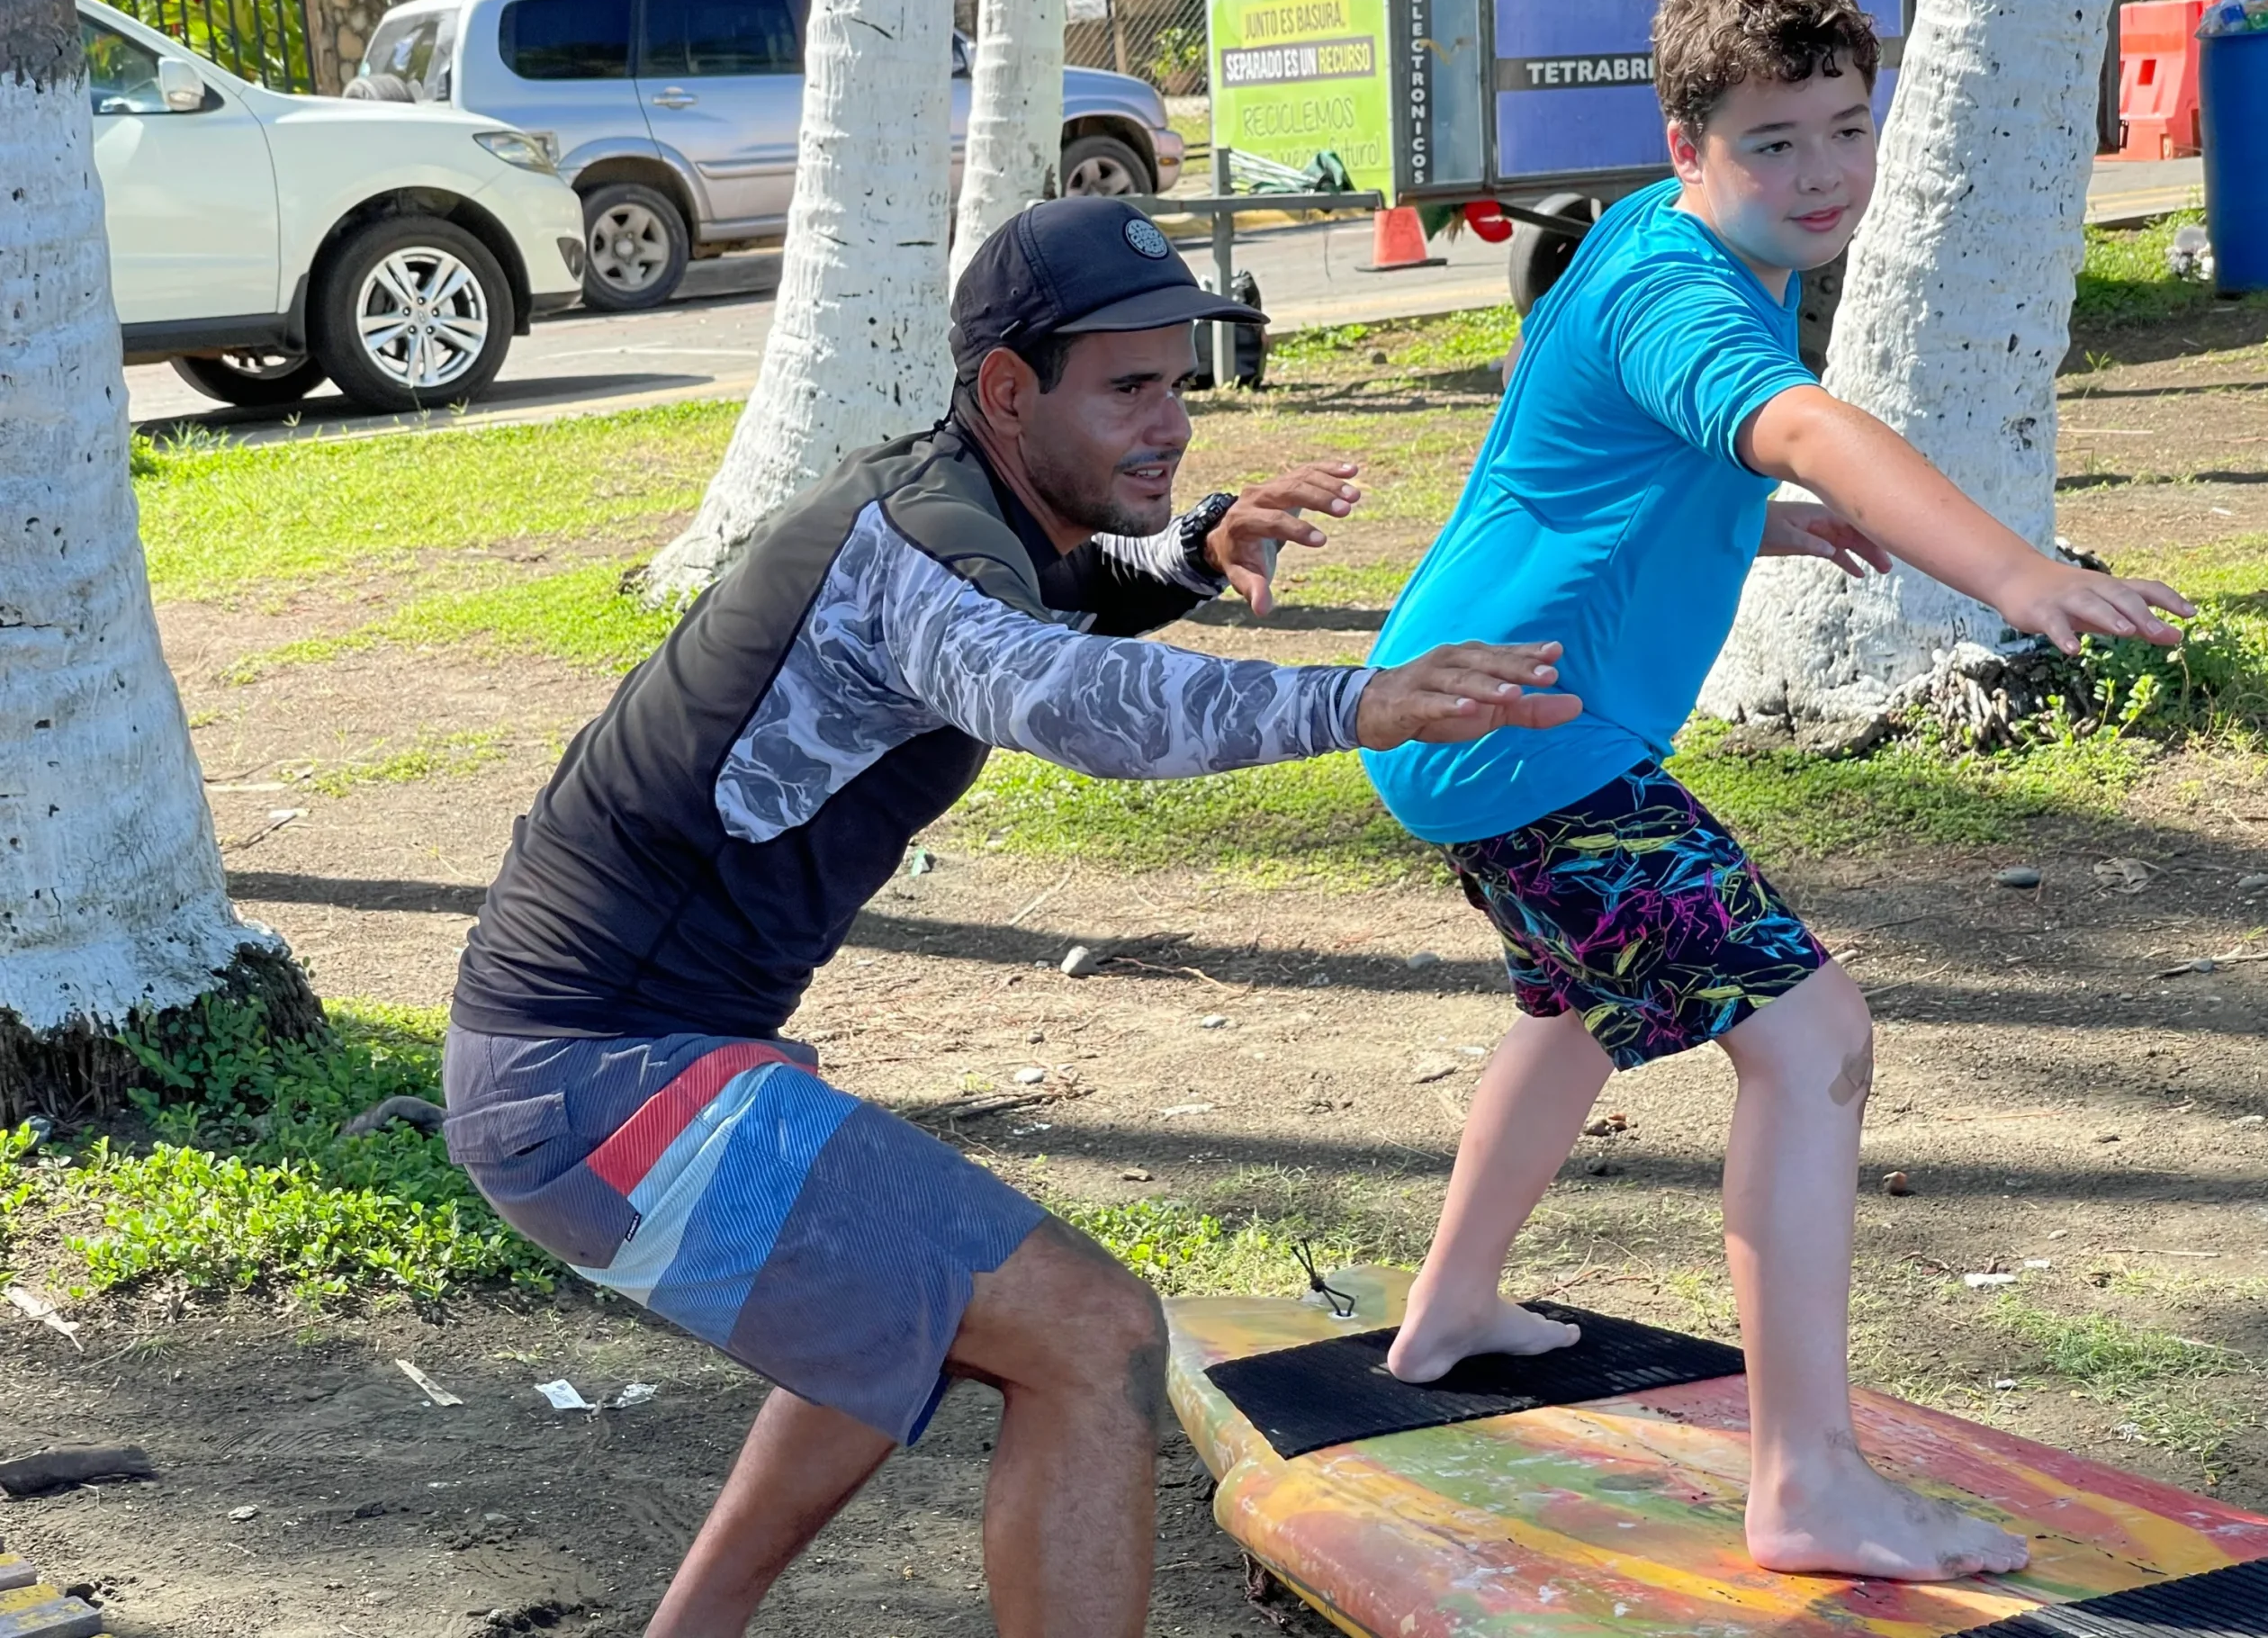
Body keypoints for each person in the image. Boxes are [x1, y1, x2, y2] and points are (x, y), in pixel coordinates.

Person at [436, 195, 1580, 1638]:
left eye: (1180, 384)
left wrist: (1190, 547)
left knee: (911, 1288)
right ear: (1005, 389)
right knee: (1093, 1338)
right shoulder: (922, 551)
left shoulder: (961, 501)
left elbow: (1068, 590)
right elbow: (1066, 695)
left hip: (608, 1064)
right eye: (1127, 390)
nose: (1169, 424)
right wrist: (1356, 703)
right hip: (599, 1088)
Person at [1362, 0, 2194, 1583]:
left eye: (1847, 126)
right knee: (1812, 1041)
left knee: (1575, 1008)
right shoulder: (1686, 289)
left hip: (1466, 714)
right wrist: (2010, 572)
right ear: (1688, 147)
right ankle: (1806, 1480)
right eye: (1775, 143)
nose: (1823, 175)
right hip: (1524, 742)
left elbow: (1582, 459)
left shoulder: (1653, 242)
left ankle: (1452, 1308)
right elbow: (1803, 418)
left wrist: (1750, 516)